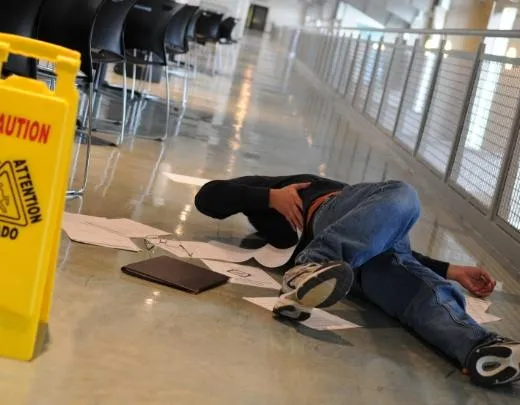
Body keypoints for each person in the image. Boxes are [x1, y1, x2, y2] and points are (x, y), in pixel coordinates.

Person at [194, 174, 519, 388]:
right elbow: (207, 196)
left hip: (347, 245)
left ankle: (477, 347)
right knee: (405, 200)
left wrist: (449, 270)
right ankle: (312, 264)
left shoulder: (334, 193)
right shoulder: (279, 188)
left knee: (413, 284)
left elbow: (373, 232)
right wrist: (270, 196)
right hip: (337, 263)